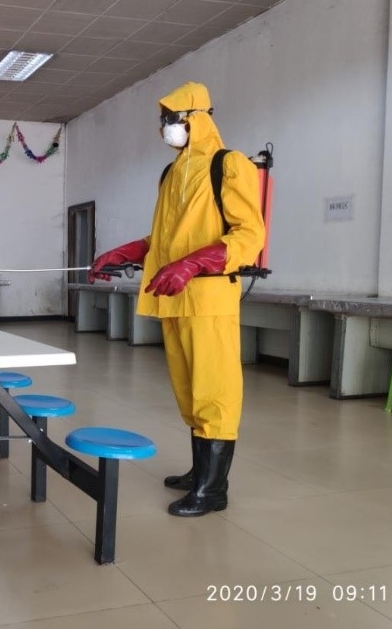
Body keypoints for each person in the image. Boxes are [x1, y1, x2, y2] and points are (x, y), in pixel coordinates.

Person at [89, 81, 265, 517]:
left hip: (208, 299)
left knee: (214, 389)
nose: (165, 127)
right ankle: (200, 472)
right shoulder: (171, 173)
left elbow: (249, 236)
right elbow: (165, 239)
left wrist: (193, 263)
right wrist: (125, 252)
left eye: (172, 119)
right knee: (188, 391)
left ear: (197, 118)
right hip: (174, 299)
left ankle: (213, 490)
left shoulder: (229, 164)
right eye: (163, 119)